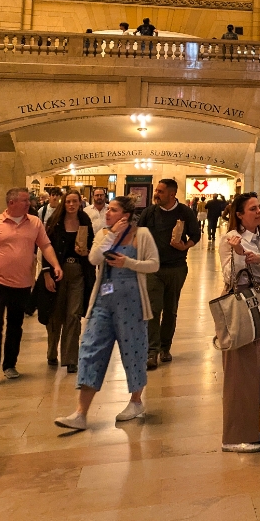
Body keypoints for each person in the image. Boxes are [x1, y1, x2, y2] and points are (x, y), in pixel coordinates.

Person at [53, 194, 156, 432]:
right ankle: (80, 413)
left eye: (113, 209)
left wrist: (129, 263)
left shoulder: (142, 236)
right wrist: (112, 236)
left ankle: (135, 401)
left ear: (126, 215)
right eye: (107, 209)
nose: (107, 213)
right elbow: (94, 258)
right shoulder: (103, 234)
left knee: (133, 350)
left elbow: (153, 264)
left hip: (133, 302)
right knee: (91, 349)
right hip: (104, 300)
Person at [0, 188, 64, 387]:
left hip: (22, 283)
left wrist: (55, 264)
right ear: (11, 203)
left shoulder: (34, 222)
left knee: (15, 326)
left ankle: (10, 365)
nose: (29, 203)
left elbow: (45, 246)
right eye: (25, 200)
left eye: (29, 200)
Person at [216, 192, 260, 452]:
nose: (258, 212)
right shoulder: (229, 239)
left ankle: (252, 428)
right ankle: (234, 437)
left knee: (259, 370)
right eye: (253, 209)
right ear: (239, 214)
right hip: (240, 308)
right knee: (240, 374)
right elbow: (228, 274)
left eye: (259, 207)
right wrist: (238, 253)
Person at [136, 178, 200, 369]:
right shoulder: (149, 213)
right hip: (153, 269)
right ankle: (151, 351)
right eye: (156, 191)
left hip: (176, 268)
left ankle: (165, 348)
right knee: (153, 310)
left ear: (172, 194)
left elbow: (195, 235)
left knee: (170, 309)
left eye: (160, 191)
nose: (156, 194)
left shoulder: (185, 213)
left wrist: (184, 246)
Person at [45, 191, 94, 372]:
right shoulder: (54, 223)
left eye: (75, 201)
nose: (71, 205)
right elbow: (45, 247)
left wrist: (87, 252)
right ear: (63, 204)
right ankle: (52, 352)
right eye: (68, 202)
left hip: (78, 272)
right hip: (58, 271)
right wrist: (46, 274)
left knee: (73, 315)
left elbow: (93, 245)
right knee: (56, 315)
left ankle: (71, 358)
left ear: (80, 203)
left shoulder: (85, 221)